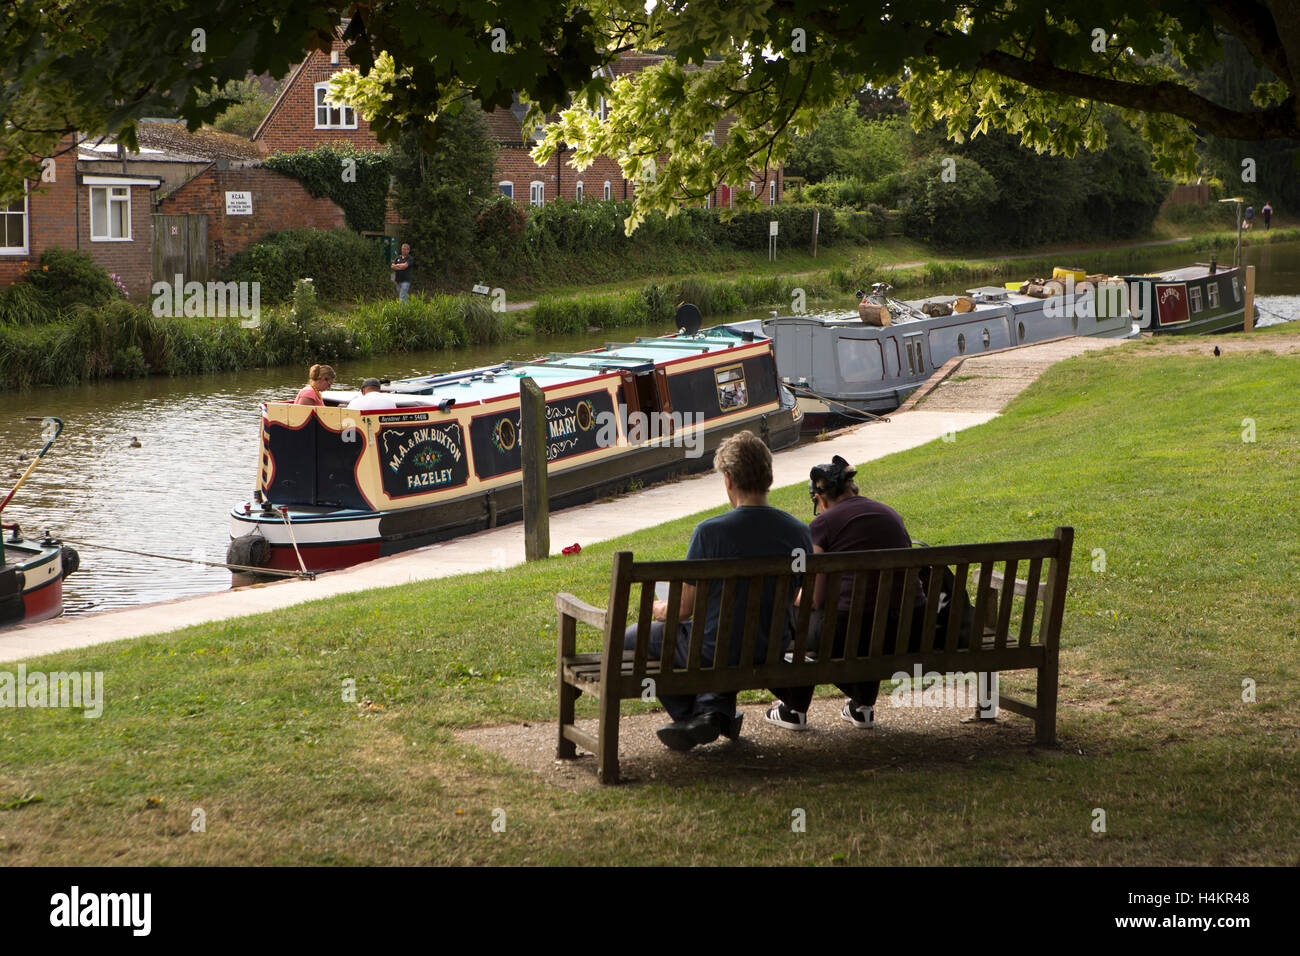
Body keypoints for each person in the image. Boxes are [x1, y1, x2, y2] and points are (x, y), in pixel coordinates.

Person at [626, 430, 812, 752]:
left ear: (728, 480)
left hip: (714, 650)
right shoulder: (798, 533)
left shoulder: (709, 533)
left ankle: (697, 715)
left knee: (633, 637)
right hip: (770, 643)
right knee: (722, 638)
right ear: (768, 476)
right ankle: (715, 712)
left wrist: (659, 610)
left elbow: (683, 611)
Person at [765, 455, 926, 732]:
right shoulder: (890, 514)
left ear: (820, 497)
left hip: (851, 635)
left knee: (788, 616)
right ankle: (861, 706)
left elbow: (814, 599)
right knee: (868, 615)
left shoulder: (823, 525)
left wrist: (788, 596)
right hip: (909, 629)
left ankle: (794, 708)